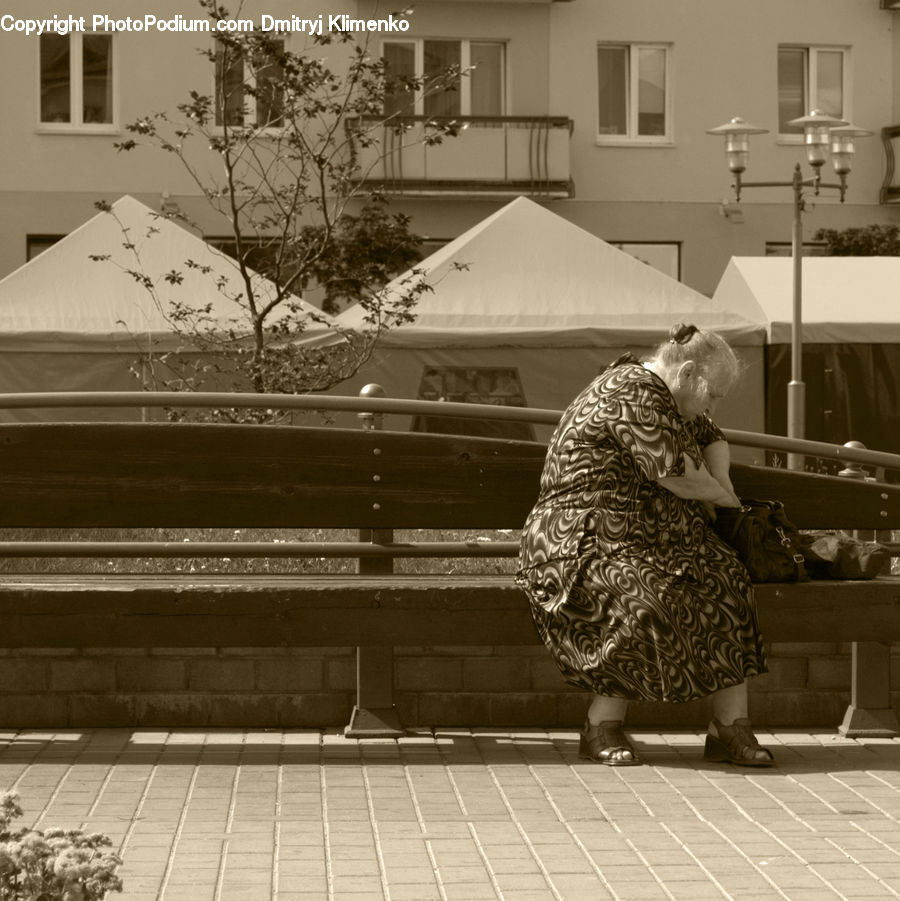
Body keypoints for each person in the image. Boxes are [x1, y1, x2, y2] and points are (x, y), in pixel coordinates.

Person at [516, 323, 773, 767]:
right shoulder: (633, 391)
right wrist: (724, 498)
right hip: (581, 539)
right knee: (646, 594)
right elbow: (678, 475)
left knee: (725, 577)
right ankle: (602, 723)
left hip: (642, 536)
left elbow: (711, 434)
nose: (712, 406)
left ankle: (730, 727)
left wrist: (721, 476)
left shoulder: (668, 393)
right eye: (712, 394)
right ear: (688, 372)